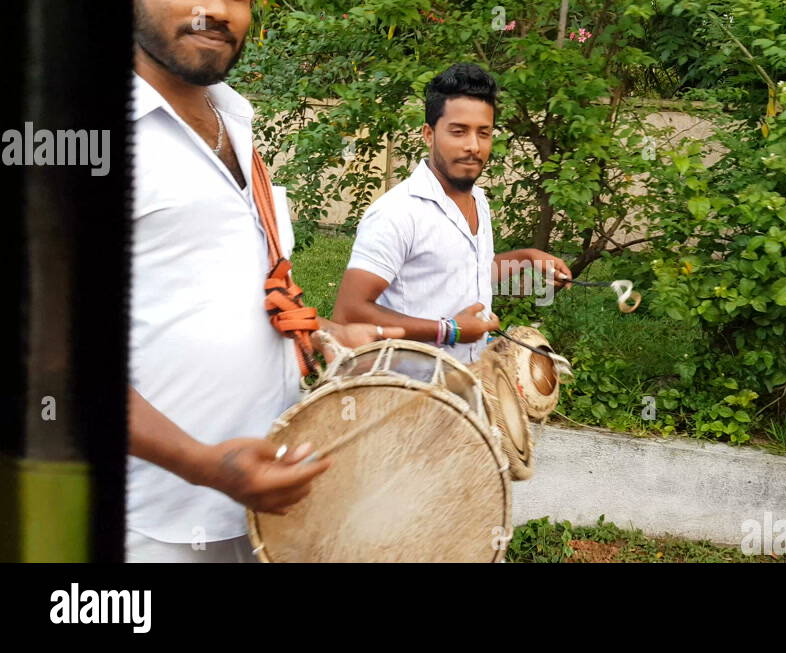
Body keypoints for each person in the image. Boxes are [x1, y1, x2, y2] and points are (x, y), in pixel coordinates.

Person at [127, 0, 402, 563]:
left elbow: (223, 291)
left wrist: (326, 331)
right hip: (153, 521)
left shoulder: (233, 118)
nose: (217, 11)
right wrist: (200, 463)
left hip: (264, 505)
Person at [332, 63, 573, 365]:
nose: (473, 146)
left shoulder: (479, 200)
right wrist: (449, 331)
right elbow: (349, 311)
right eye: (458, 132)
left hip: (465, 382)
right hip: (407, 392)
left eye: (483, 133)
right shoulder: (397, 212)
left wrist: (527, 257)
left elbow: (464, 272)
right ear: (429, 134)